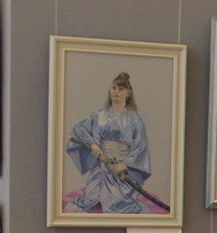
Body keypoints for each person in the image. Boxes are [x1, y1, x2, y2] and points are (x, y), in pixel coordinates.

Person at [65, 72, 152, 214]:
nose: (116, 92)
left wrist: (124, 165)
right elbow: (78, 129)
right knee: (90, 199)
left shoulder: (135, 119)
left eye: (121, 89)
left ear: (128, 93)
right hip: (101, 165)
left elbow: (140, 147)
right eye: (114, 88)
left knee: (120, 204)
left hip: (121, 169)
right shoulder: (98, 115)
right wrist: (92, 145)